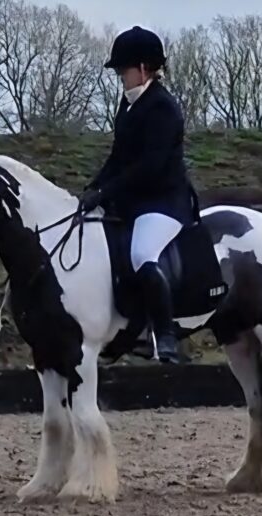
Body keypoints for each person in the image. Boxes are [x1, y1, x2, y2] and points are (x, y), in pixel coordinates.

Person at [79, 25, 198, 365]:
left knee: (143, 254)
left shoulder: (163, 108)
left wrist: (107, 192)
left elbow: (150, 166)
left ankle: (164, 335)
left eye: (124, 70)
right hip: (134, 200)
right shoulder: (129, 104)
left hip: (163, 202)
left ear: (144, 68)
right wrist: (93, 189)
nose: (121, 77)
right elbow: (118, 157)